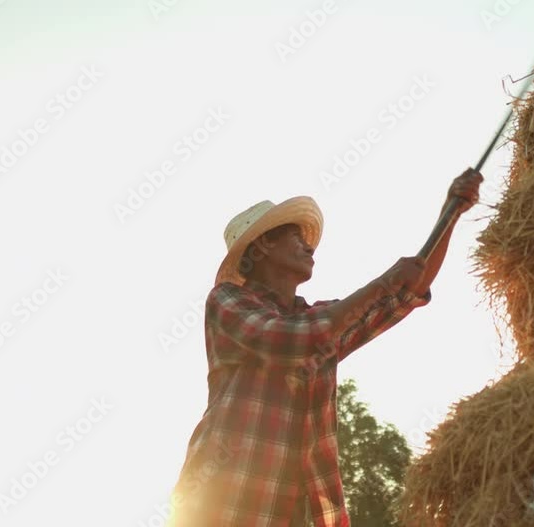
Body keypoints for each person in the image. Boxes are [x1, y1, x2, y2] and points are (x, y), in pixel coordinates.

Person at [168, 168, 483, 526]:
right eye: (295, 237)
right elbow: (290, 340)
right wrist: (383, 282)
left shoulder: (321, 319)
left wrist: (450, 214)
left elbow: (408, 290)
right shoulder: (227, 301)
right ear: (263, 246)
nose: (309, 246)